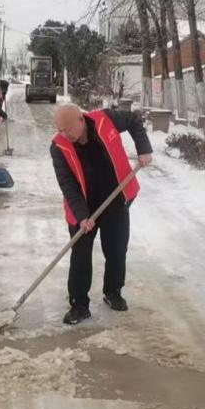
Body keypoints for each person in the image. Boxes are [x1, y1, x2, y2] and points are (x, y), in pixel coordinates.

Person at [49, 103, 152, 325]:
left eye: (68, 129)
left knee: (116, 248)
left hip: (115, 195)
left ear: (80, 120)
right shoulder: (58, 146)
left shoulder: (105, 119)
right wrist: (82, 216)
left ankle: (113, 291)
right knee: (80, 254)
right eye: (60, 130)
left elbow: (134, 120)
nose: (64, 135)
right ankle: (79, 304)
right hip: (83, 204)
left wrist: (144, 148)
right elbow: (68, 185)